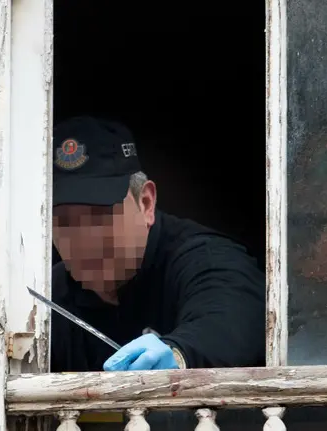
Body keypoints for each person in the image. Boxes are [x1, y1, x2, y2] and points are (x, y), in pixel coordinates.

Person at [50, 116, 266, 372]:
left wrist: (179, 353)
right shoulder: (50, 295)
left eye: (101, 215)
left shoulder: (203, 257)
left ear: (146, 203)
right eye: (64, 221)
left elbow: (234, 317)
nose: (84, 239)